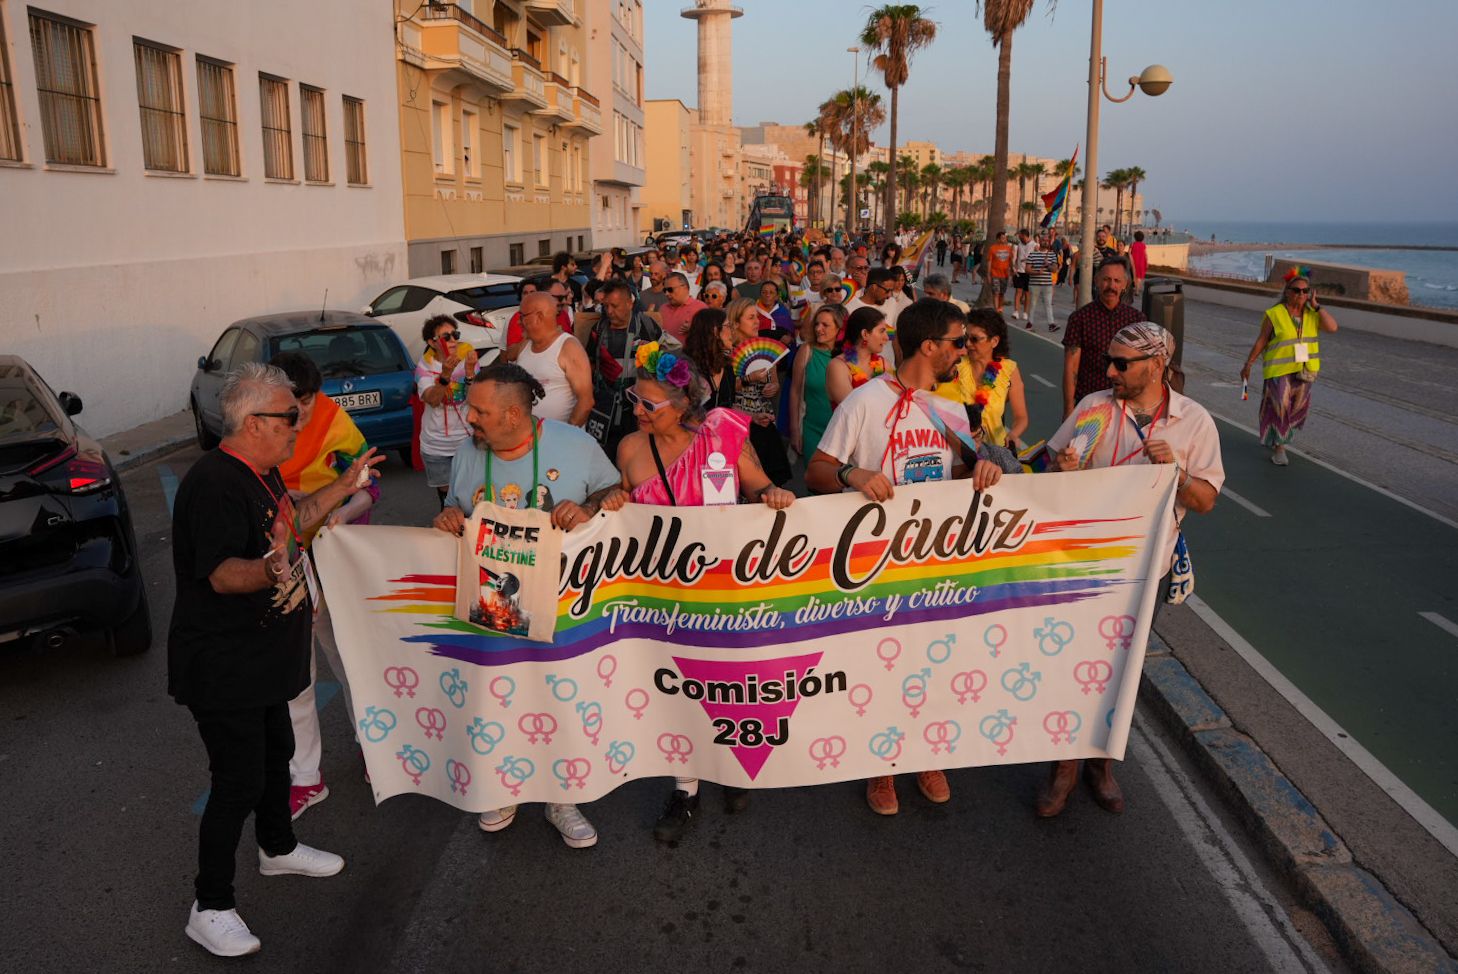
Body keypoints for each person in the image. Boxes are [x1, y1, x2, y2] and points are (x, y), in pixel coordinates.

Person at [169, 362, 382, 957]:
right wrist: (274, 567)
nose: (299, 424)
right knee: (236, 780)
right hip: (224, 666)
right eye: (290, 416)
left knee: (277, 756)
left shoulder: (262, 474)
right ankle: (209, 905)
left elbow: (295, 519)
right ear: (254, 421)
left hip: (262, 659)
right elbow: (220, 574)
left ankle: (278, 847)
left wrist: (346, 485)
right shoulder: (216, 482)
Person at [807, 300, 1003, 816]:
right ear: (929, 346)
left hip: (933, 562)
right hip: (874, 563)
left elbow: (959, 474)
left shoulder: (953, 409)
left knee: (933, 664)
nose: (965, 351)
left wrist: (980, 473)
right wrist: (853, 475)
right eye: (959, 342)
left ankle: (927, 755)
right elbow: (818, 470)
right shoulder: (863, 402)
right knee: (882, 669)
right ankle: (882, 766)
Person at [433, 362, 625, 846]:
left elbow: (614, 490)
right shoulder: (467, 451)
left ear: (514, 414)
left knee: (560, 700)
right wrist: (448, 515)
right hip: (494, 606)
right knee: (499, 698)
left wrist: (588, 508)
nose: (469, 419)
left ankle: (562, 797)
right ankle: (504, 787)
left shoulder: (574, 444)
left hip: (566, 605)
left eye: (479, 411)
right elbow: (455, 509)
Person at [1039, 323, 1223, 817]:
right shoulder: (1095, 406)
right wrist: (1063, 469)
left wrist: (1177, 475)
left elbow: (1204, 500)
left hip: (1146, 570)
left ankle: (1100, 765)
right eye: (1109, 361)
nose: (1110, 371)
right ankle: (1063, 768)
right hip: (1083, 563)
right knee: (1070, 667)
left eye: (1122, 364)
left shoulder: (1193, 421)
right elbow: (1053, 465)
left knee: (1120, 674)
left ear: (1157, 366)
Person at [614, 343, 795, 841]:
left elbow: (757, 486)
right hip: (661, 594)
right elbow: (620, 516)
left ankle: (732, 767)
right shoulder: (630, 449)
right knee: (676, 690)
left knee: (729, 685)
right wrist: (607, 499)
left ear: (682, 405)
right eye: (636, 399)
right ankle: (686, 787)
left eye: (649, 404)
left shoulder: (724, 434)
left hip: (727, 589)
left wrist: (770, 495)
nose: (637, 411)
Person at [270, 352, 378, 822]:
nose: (300, 416)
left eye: (307, 402)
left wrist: (340, 514)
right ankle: (306, 777)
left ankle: (372, 748)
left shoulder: (337, 424)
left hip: (332, 561)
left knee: (350, 659)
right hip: (278, 565)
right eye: (290, 406)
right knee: (297, 676)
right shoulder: (260, 430)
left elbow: (368, 486)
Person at [1240, 268, 1338, 466]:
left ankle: (1275, 438)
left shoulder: (1312, 314)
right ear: (1287, 291)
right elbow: (1262, 340)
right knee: (1280, 409)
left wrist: (1318, 307)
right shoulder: (1275, 314)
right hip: (1279, 371)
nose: (1301, 294)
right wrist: (1248, 364)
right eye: (1296, 290)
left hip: (1305, 371)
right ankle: (1280, 449)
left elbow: (1332, 328)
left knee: (1295, 411)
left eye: (1305, 291)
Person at [584, 278, 664, 459]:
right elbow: (589, 363)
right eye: (605, 306)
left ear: (629, 303)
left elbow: (667, 363)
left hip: (637, 412)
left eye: (615, 305)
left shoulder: (647, 327)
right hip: (604, 411)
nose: (609, 311)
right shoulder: (598, 329)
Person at [934, 307, 1029, 452]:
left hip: (995, 452)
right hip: (958, 450)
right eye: (966, 338)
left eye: (975, 339)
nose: (968, 344)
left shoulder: (1009, 371)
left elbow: (1021, 417)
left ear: (994, 341)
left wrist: (1013, 435)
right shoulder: (956, 365)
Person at [1061, 258, 1145, 418]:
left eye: (1116, 280)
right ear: (1097, 281)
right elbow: (1071, 369)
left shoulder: (1137, 320)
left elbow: (1142, 367)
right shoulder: (1080, 318)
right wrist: (1068, 411)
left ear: (1125, 284)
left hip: (1127, 407)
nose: (1111, 286)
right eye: (1106, 279)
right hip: (1089, 404)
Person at [726, 297, 792, 485]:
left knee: (772, 478)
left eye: (757, 317)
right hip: (738, 421)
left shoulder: (764, 348)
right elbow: (725, 389)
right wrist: (749, 379)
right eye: (751, 318)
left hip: (763, 419)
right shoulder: (727, 352)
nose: (757, 322)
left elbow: (773, 382)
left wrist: (774, 386)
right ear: (736, 322)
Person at [416, 315, 481, 505]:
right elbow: (433, 400)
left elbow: (476, 399)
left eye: (455, 334)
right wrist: (445, 375)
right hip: (437, 445)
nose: (453, 340)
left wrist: (469, 372)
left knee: (474, 495)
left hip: (467, 440)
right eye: (446, 337)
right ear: (432, 342)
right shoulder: (425, 366)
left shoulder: (468, 359)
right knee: (447, 500)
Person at [509, 292, 594, 426]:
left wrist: (564, 436)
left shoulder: (569, 347)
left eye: (522, 316)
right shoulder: (525, 345)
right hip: (528, 441)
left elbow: (586, 402)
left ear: (539, 316)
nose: (518, 321)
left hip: (558, 441)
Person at [790, 303, 846, 461]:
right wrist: (794, 430)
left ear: (839, 328)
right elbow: (795, 392)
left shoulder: (850, 355)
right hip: (813, 430)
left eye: (825, 325)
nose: (818, 329)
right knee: (814, 482)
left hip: (842, 432)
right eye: (816, 324)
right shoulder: (807, 350)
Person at [825, 306, 891, 414]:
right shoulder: (838, 367)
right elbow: (854, 411)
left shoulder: (884, 364)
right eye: (881, 331)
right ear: (865, 334)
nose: (886, 338)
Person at [683, 307, 738, 410]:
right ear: (716, 331)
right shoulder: (688, 368)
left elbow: (728, 407)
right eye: (728, 326)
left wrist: (753, 417)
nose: (732, 331)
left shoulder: (727, 366)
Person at [1024, 232, 1059, 332]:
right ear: (1039, 241)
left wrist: (1048, 265)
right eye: (1043, 240)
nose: (1045, 242)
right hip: (1034, 284)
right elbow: (1027, 269)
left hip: (1047, 284)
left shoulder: (1052, 255)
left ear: (1048, 242)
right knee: (1033, 304)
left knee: (1048, 304)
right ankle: (1029, 323)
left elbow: (1055, 269)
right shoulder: (1033, 254)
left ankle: (1051, 324)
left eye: (1047, 241)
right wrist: (1036, 272)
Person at [660, 272, 708, 342]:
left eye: (670, 290)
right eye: (665, 290)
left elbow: (709, 335)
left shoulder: (701, 308)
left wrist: (694, 329)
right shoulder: (663, 308)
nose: (667, 294)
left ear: (685, 287)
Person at [985, 231, 1014, 314]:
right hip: (995, 274)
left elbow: (1010, 260)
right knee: (996, 293)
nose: (1004, 239)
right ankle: (996, 310)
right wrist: (988, 274)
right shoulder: (992, 248)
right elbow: (989, 261)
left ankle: (1000, 308)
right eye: (1002, 238)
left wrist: (1012, 269)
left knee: (1002, 293)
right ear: (998, 239)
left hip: (1005, 274)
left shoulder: (1009, 248)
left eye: (1004, 238)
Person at [1011, 228, 1034, 321]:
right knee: (1018, 291)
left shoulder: (1034, 245)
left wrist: (1028, 260)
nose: (1020, 239)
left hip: (1029, 272)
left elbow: (1038, 256)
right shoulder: (1018, 245)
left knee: (1027, 293)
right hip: (1019, 271)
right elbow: (1014, 256)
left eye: (1021, 237)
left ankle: (1025, 313)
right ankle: (1016, 311)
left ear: (1025, 236)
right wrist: (1014, 267)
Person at [1129, 230, 1148, 298]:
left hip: (1134, 262)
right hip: (1141, 262)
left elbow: (1129, 252)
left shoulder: (1132, 244)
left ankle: (1135, 289)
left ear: (1135, 237)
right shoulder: (1143, 245)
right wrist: (1147, 262)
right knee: (1139, 277)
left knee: (1134, 276)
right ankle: (1137, 290)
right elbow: (1145, 255)